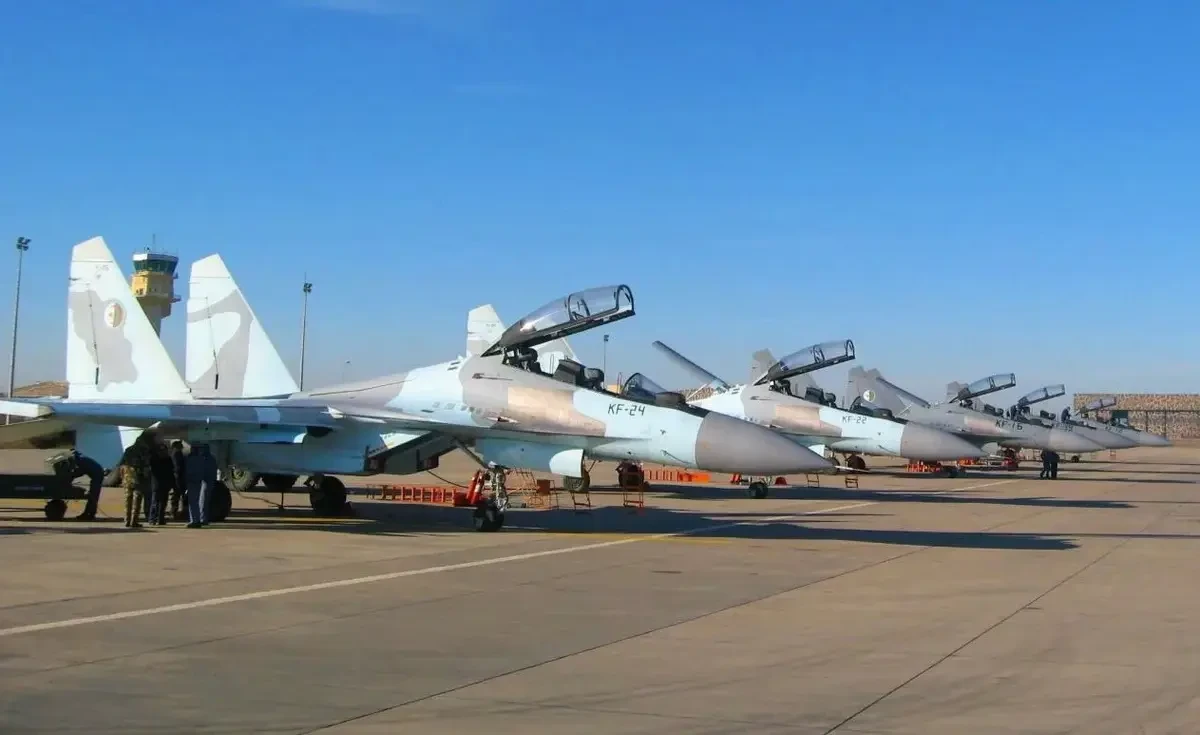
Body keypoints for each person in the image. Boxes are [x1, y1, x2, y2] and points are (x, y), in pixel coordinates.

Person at [120, 436, 154, 528]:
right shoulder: (143, 450)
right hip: (138, 477)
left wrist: (123, 477)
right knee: (137, 499)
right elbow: (146, 464)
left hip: (127, 477)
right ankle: (134, 521)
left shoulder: (128, 450)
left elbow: (122, 464)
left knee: (128, 499)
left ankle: (127, 520)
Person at [185, 443, 217, 528]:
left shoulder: (192, 459)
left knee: (195, 502)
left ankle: (196, 520)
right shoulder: (207, 458)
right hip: (202, 481)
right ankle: (201, 519)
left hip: (196, 481)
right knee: (202, 501)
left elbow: (188, 471)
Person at [70, 450, 106, 521]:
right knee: (93, 496)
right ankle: (87, 513)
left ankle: (90, 515)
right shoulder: (83, 459)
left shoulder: (81, 461)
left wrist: (70, 476)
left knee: (93, 496)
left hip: (97, 476)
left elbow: (80, 472)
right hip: (96, 475)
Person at [148, 442, 176, 525]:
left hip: (161, 484)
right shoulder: (159, 459)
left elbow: (171, 472)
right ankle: (154, 519)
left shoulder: (157, 459)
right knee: (157, 502)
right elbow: (171, 472)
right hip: (160, 484)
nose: (163, 452)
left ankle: (158, 519)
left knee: (161, 503)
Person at [169, 441, 187, 520]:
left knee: (178, 495)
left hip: (178, 477)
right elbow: (177, 466)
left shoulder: (177, 453)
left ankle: (175, 511)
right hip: (178, 478)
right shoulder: (176, 454)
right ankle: (174, 512)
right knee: (177, 495)